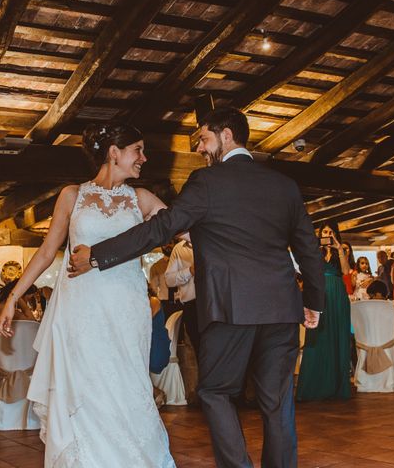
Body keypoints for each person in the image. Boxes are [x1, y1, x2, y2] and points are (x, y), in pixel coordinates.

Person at [68, 108, 324, 468]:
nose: (201, 149)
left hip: (230, 308)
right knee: (277, 401)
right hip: (282, 308)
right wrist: (313, 301)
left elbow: (160, 228)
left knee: (215, 391)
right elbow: (308, 250)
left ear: (227, 135)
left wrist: (98, 254)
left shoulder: (207, 183)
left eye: (204, 139)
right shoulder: (284, 185)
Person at [0, 123, 175, 467]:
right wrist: (14, 296)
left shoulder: (142, 199)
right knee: (85, 388)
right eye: (137, 150)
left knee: (125, 385)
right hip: (81, 310)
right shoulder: (72, 195)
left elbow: (182, 228)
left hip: (126, 308)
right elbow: (48, 250)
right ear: (114, 153)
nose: (144, 158)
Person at [296, 221, 352, 402]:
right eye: (324, 232)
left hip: (337, 293)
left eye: (330, 231)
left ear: (335, 234)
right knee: (318, 336)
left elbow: (345, 271)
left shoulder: (340, 251)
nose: (327, 234)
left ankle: (337, 385)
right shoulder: (315, 251)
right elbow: (307, 271)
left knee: (337, 335)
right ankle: (315, 385)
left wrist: (339, 249)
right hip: (319, 292)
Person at [165, 239, 198, 351]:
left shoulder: (212, 240)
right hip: (192, 307)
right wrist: (189, 271)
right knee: (198, 349)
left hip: (216, 303)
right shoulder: (178, 249)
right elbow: (169, 280)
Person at [149, 242, 174, 317]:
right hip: (166, 303)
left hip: (182, 300)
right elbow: (154, 289)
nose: (168, 246)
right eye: (165, 244)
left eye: (170, 243)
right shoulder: (156, 266)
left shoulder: (180, 262)